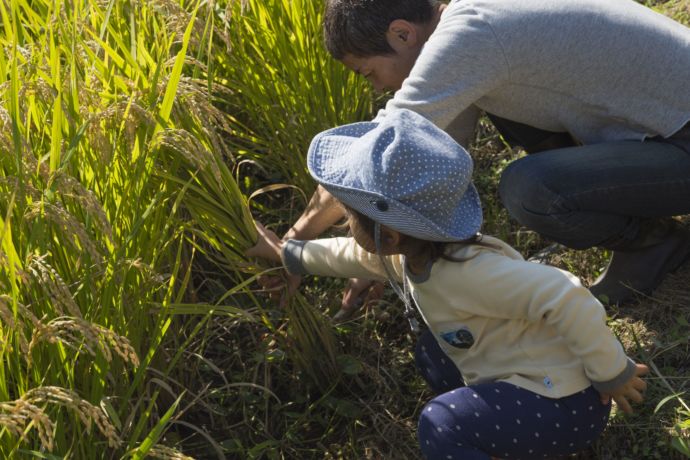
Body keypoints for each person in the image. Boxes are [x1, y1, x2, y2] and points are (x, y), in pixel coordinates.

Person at [247, 109, 648, 459]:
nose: (346, 224)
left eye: (349, 216)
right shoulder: (415, 253)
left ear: (389, 233)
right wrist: (288, 253)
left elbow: (565, 294)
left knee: (440, 426)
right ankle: (510, 439)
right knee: (431, 352)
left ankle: (517, 442)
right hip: (523, 380)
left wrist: (612, 373)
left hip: (567, 404)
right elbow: (351, 256)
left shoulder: (469, 273)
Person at [282, 0, 690, 307]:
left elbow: (380, 152)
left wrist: (297, 237)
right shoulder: (474, 19)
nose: (375, 87)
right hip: (663, 130)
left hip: (681, 140)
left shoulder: (470, 36)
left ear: (402, 33)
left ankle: (651, 242)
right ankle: (640, 224)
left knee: (530, 188)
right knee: (513, 118)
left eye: (369, 72)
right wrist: (384, 239)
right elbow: (429, 148)